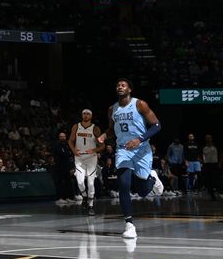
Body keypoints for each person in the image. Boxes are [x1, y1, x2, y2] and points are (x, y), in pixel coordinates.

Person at [99, 78, 164, 240]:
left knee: (142, 191)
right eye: (118, 85)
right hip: (123, 150)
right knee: (124, 184)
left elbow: (156, 125)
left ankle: (152, 177)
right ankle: (129, 224)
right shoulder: (111, 109)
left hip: (141, 149)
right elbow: (112, 129)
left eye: (123, 85)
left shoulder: (139, 104)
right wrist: (105, 135)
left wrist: (139, 139)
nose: (119, 87)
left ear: (129, 90)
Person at [68, 109, 104, 215]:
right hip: (79, 158)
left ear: (91, 116)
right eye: (84, 113)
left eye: (88, 114)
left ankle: (91, 205)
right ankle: (84, 196)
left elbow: (102, 145)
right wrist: (74, 150)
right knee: (79, 182)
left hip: (91, 158)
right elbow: (70, 141)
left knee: (91, 183)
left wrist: (94, 150)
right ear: (82, 115)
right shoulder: (76, 126)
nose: (86, 115)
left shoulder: (95, 128)